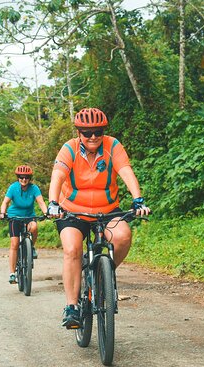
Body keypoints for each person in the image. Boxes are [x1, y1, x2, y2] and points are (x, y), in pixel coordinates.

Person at [47, 108, 150, 329]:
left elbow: (126, 171)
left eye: (98, 131)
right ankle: (72, 307)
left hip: (107, 208)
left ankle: (104, 275)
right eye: (87, 132)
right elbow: (58, 175)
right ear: (79, 133)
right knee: (72, 250)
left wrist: (138, 199)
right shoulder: (69, 148)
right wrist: (53, 203)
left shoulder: (112, 146)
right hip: (72, 211)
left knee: (122, 236)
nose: (93, 136)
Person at [0, 165, 48, 284]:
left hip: (29, 215)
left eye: (26, 177)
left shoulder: (34, 188)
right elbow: (5, 202)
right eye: (21, 177)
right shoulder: (13, 188)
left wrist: (46, 212)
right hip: (14, 216)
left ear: (30, 178)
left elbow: (40, 202)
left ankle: (32, 247)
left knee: (34, 227)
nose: (24, 179)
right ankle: (12, 273)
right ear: (18, 177)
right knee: (14, 243)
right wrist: (2, 213)